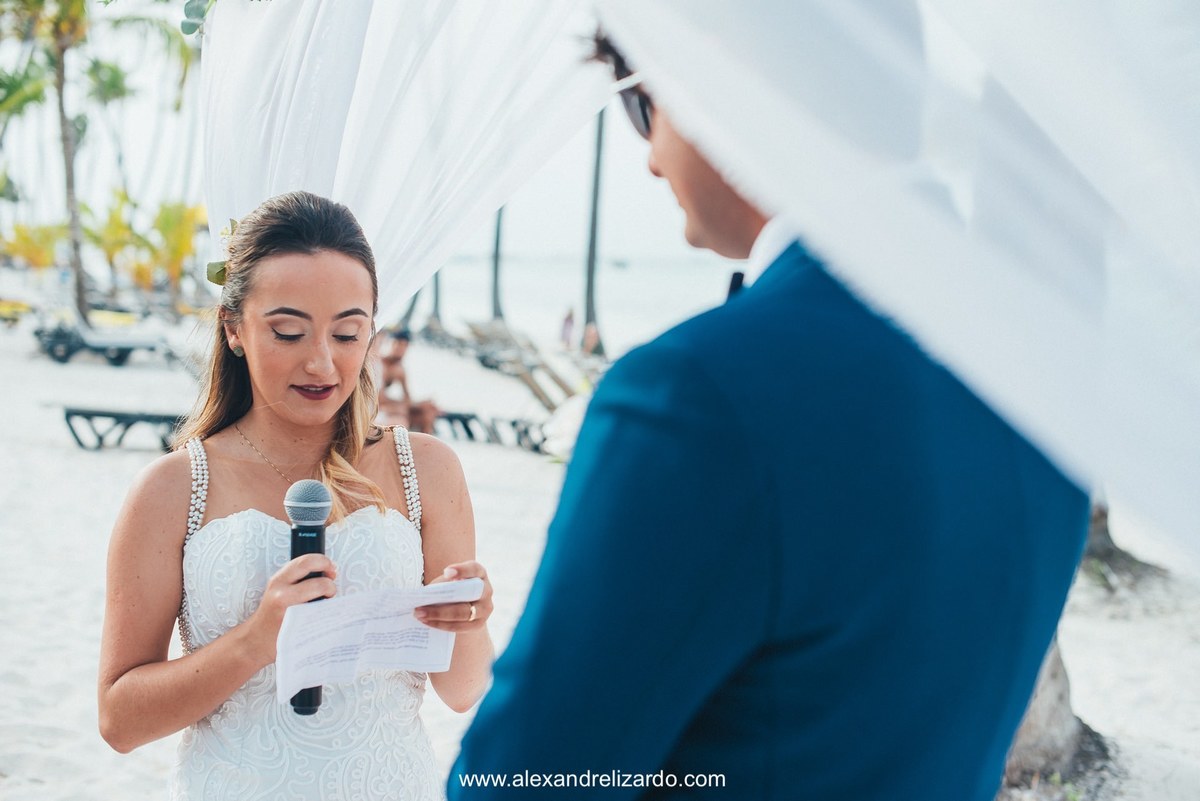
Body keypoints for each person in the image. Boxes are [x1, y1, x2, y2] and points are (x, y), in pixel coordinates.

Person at [448, 33, 1089, 801]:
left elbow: (526, 781)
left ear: (720, 79)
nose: (649, 156)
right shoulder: (1052, 369)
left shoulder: (696, 394)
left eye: (641, 104)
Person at [98, 191, 494, 801]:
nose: (322, 363)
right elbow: (120, 721)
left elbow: (464, 691)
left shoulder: (428, 469)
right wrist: (257, 640)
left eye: (347, 333)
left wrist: (468, 621)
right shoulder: (172, 488)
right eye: (288, 331)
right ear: (233, 329)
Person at [379, 327, 442, 435]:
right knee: (401, 413)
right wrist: (401, 405)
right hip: (374, 405)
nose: (401, 349)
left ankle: (425, 446)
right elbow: (378, 397)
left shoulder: (400, 370)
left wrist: (421, 404)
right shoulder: (380, 364)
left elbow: (407, 397)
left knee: (428, 411)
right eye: (398, 344)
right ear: (391, 344)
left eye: (404, 346)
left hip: (388, 405)